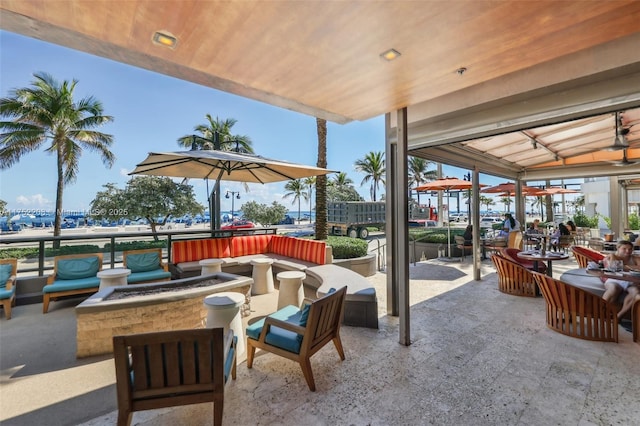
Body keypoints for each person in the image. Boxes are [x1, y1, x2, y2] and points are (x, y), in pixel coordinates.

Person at [601, 240, 640, 321]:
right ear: (618, 248)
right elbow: (613, 266)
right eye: (624, 248)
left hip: (630, 281)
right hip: (614, 279)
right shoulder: (612, 255)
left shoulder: (635, 258)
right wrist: (632, 267)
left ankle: (619, 316)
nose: (628, 251)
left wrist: (623, 266)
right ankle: (600, 313)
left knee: (636, 292)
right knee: (614, 289)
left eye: (630, 249)